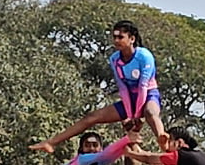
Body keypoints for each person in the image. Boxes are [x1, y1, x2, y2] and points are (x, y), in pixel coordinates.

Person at [31, 20, 167, 152]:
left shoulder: (144, 56)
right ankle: (51, 142)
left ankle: (163, 140)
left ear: (132, 39)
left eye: (120, 37)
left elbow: (143, 87)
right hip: (130, 99)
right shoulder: (115, 59)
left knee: (150, 113)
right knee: (91, 117)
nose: (116, 41)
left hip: (148, 95)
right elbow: (123, 88)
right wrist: (130, 116)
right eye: (114, 37)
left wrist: (137, 116)